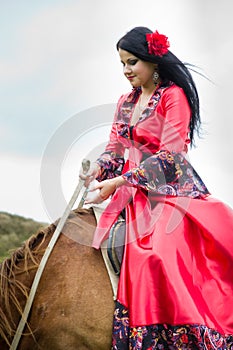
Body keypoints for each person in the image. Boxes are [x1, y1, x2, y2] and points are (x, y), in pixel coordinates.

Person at [80, 26, 233, 349]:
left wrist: (120, 180)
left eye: (132, 62)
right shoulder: (125, 102)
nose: (126, 71)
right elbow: (116, 149)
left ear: (153, 60)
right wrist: (97, 169)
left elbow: (170, 155)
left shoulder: (173, 96)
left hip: (170, 191)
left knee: (158, 254)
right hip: (131, 194)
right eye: (121, 63)